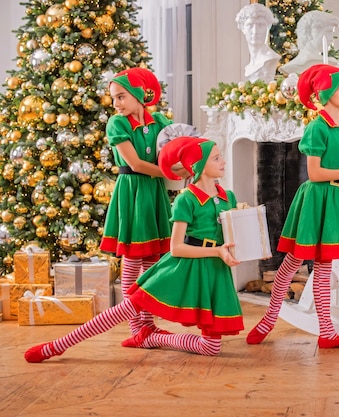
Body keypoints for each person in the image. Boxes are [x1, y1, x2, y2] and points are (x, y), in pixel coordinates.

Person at [24, 137, 244, 363]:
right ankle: (57, 345)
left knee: (211, 347)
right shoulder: (186, 199)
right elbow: (176, 248)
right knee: (126, 308)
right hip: (183, 267)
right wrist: (217, 251)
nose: (223, 161)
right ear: (197, 165)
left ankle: (152, 338)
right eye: (216, 158)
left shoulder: (229, 197)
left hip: (215, 272)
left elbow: (233, 236)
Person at [246, 64, 339, 349]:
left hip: (337, 201)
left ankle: (327, 334)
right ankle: (269, 318)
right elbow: (316, 174)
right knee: (294, 261)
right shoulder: (318, 127)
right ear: (327, 92)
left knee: (323, 267)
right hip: (316, 200)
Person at [98, 67, 175, 341]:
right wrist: (173, 172)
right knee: (133, 259)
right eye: (114, 99)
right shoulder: (117, 124)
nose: (116, 104)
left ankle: (148, 325)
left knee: (153, 261)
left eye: (121, 97)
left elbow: (177, 147)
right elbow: (136, 164)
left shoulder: (162, 123)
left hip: (153, 192)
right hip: (132, 191)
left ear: (140, 94)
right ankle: (135, 327)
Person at [279, 11, 339, 76]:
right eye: (328, 32)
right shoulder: (330, 62)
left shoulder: (331, 62)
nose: (331, 39)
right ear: (312, 33)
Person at [236, 3, 281, 83]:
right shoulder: (251, 64)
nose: (255, 31)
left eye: (261, 25)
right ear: (243, 28)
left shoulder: (270, 58)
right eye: (250, 25)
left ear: (267, 28)